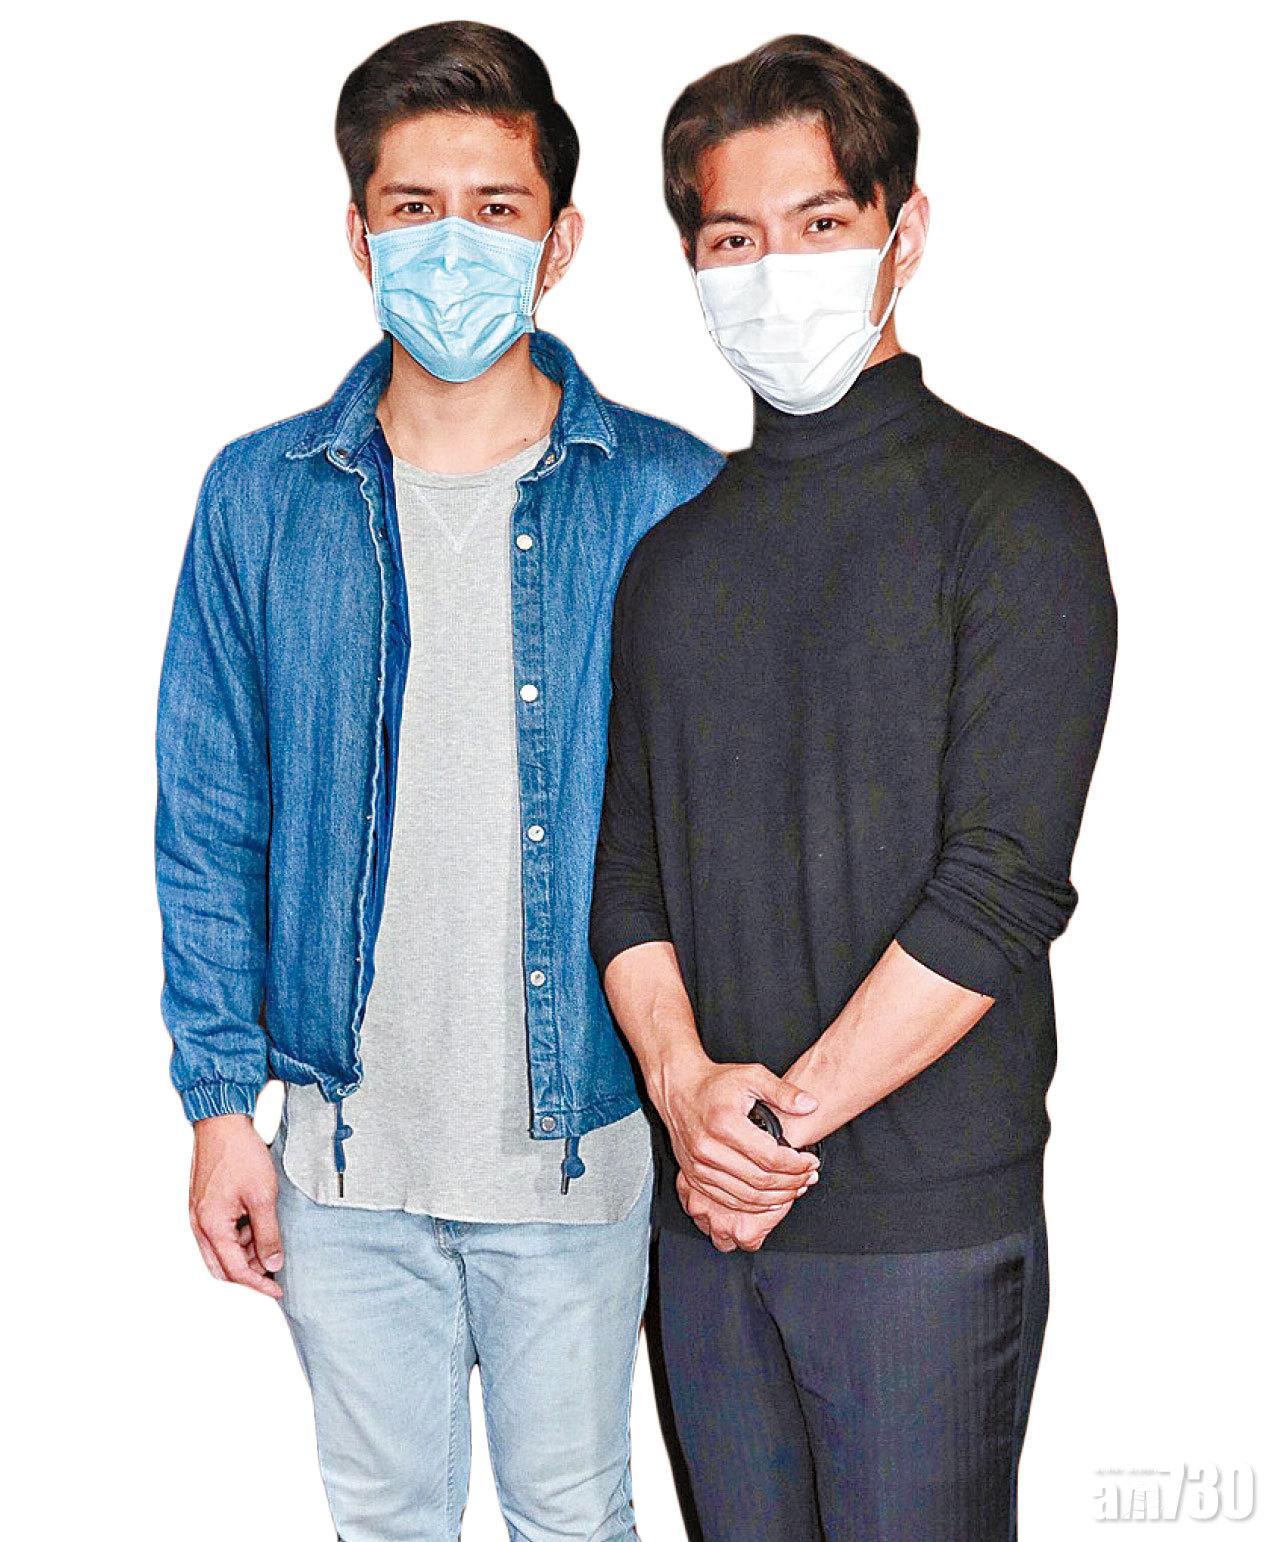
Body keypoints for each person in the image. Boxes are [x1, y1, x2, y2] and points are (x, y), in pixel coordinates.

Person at [153, 22, 722, 1541]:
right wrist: (219, 1104)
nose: (451, 241)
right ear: (359, 235)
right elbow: (211, 816)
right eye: (413, 207)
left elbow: (729, 823)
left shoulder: (672, 493)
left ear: (560, 240)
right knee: (385, 1520)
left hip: (582, 1142)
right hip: (344, 1154)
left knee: (575, 1514)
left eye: (495, 206)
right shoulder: (262, 497)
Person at [590, 34, 1118, 1542]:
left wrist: (771, 1132)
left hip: (921, 1234)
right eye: (732, 240)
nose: (776, 272)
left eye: (820, 223)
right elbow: (625, 880)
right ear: (692, 266)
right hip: (705, 1234)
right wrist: (688, 1099)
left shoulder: (1014, 517)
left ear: (905, 229)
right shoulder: (672, 561)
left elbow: (999, 886)